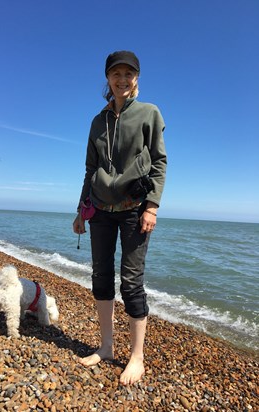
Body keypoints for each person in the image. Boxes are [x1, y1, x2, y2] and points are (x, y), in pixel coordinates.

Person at [73, 50, 167, 385]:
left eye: (128, 74)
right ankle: (107, 346)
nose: (122, 80)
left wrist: (152, 206)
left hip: (134, 210)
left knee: (131, 282)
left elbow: (159, 162)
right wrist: (81, 209)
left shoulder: (148, 114)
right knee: (101, 277)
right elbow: (89, 169)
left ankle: (137, 357)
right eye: (116, 74)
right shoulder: (97, 121)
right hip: (99, 209)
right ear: (108, 79)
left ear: (136, 79)